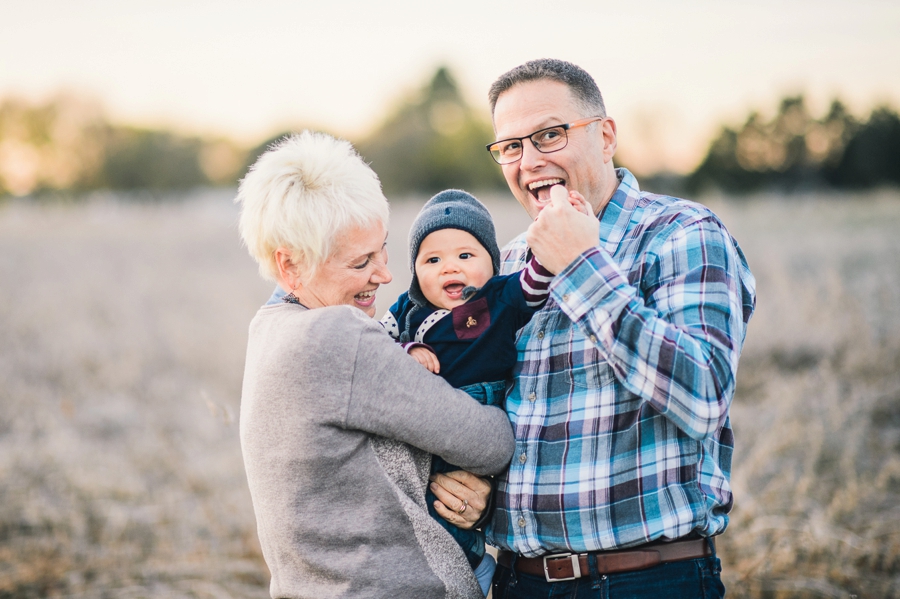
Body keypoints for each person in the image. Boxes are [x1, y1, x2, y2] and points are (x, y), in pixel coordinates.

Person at [480, 59, 757, 598]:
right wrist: (470, 483)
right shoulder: (510, 263)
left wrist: (582, 263)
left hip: (643, 580)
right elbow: (492, 411)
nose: (529, 160)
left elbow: (703, 396)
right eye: (510, 146)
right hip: (519, 581)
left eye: (549, 135)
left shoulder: (682, 235)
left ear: (605, 136)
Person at [235, 130, 515, 599]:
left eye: (382, 249)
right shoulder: (336, 337)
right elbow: (490, 443)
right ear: (291, 267)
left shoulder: (269, 326)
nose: (385, 275)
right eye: (361, 261)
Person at [379, 189, 554, 595]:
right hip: (427, 410)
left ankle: (472, 566)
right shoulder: (409, 308)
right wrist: (408, 348)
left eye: (465, 256)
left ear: (492, 264)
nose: (448, 268)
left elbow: (534, 284)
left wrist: (549, 246)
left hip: (479, 402)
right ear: (416, 271)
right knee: (423, 497)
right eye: (432, 260)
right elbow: (374, 341)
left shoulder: (496, 299)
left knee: (455, 495)